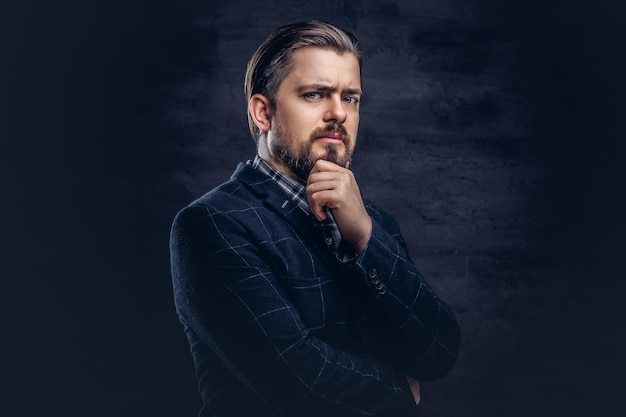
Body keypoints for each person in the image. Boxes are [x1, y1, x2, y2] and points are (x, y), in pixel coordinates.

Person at [170, 21, 461, 417]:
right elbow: (297, 380)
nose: (339, 113)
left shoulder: (373, 222)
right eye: (314, 94)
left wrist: (366, 240)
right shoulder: (212, 224)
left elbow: (438, 352)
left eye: (351, 98)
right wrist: (397, 387)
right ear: (263, 112)